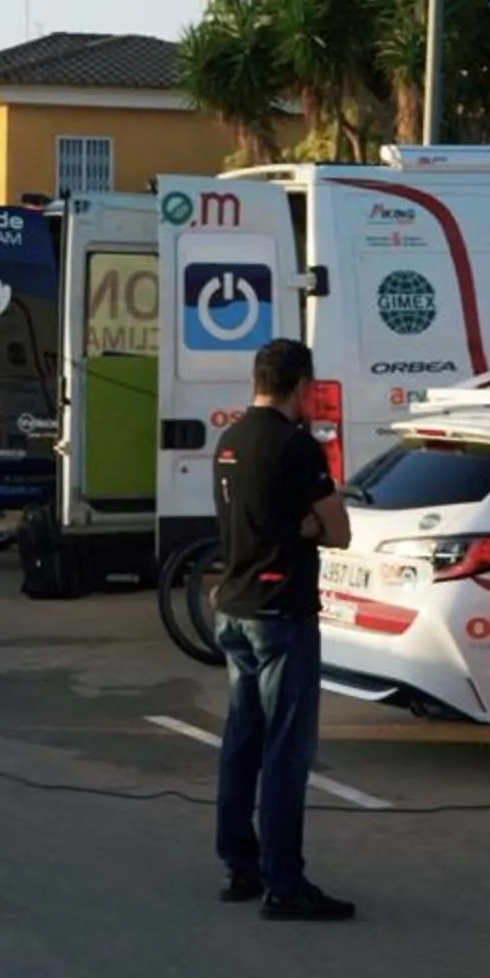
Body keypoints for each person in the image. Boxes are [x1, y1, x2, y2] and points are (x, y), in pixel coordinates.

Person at [209, 337, 355, 922]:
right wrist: (308, 529)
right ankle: (284, 882)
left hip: (235, 608)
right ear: (301, 386)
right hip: (282, 613)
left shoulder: (230, 440)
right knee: (287, 751)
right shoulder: (297, 447)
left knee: (242, 741)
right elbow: (339, 530)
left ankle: (240, 864)